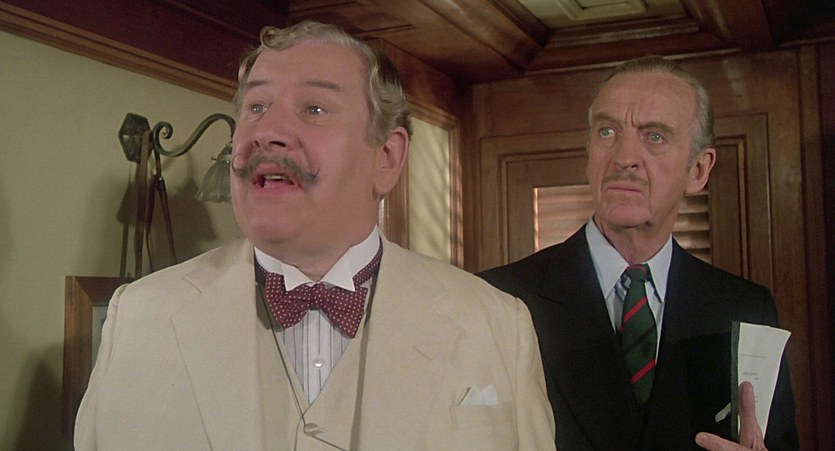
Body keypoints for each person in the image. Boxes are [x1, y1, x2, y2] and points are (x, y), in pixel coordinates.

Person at [74, 20, 555, 450]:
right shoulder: (139, 318)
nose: (267, 131)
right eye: (256, 106)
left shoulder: (495, 324)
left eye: (315, 108)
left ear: (387, 158)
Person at [478, 55, 798, 451]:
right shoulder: (498, 299)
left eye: (655, 136)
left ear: (698, 170)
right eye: (607, 131)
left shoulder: (746, 309)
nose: (624, 157)